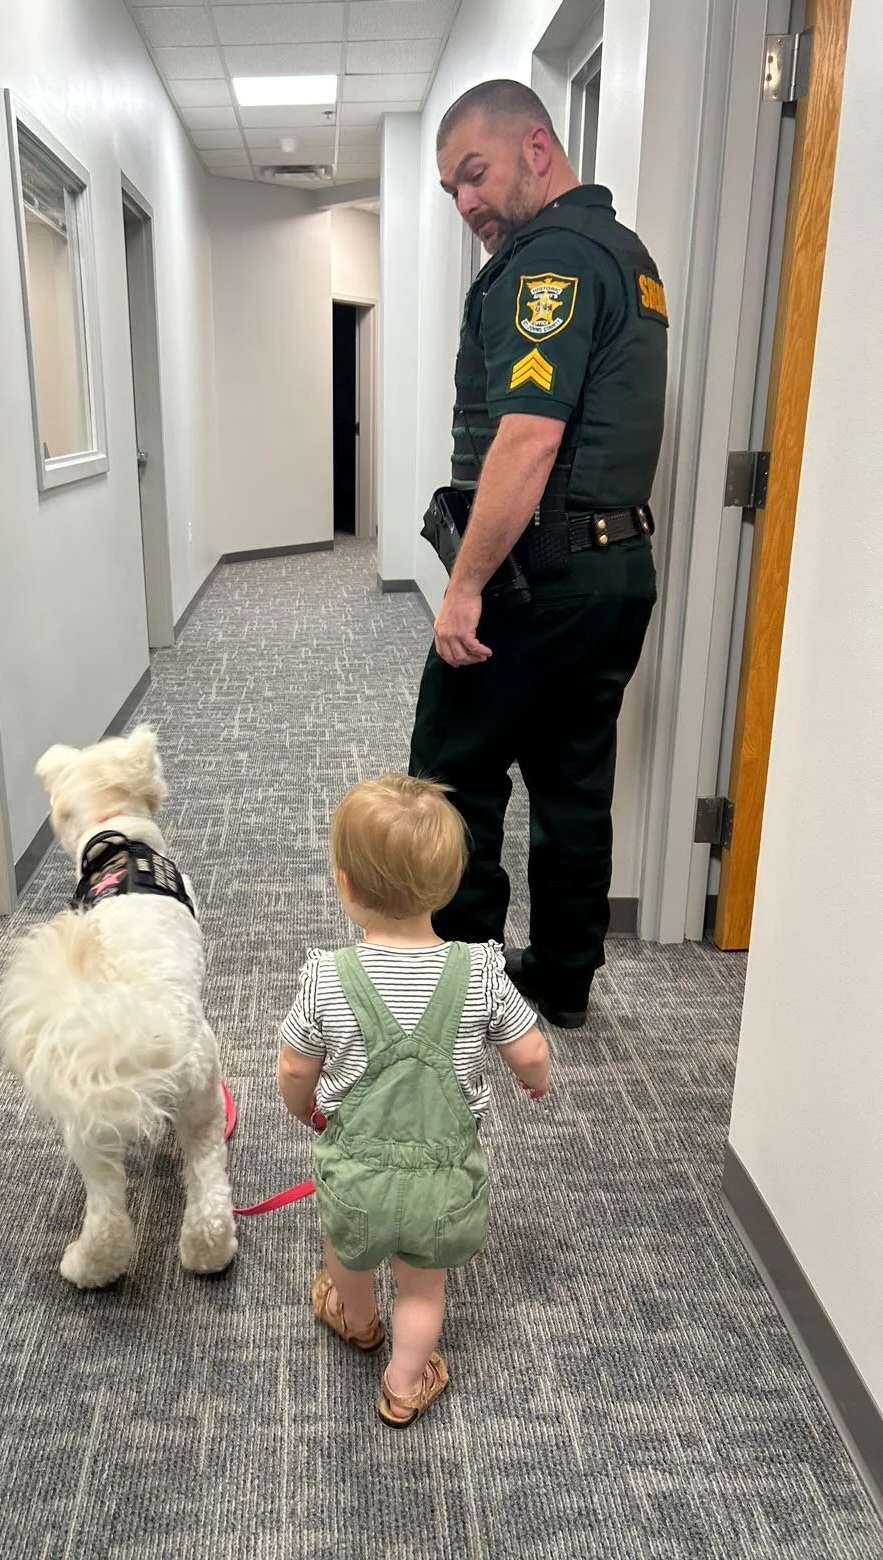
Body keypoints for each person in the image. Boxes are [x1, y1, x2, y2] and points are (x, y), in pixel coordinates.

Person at [409, 79, 668, 1029]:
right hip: (616, 572)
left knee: (451, 773)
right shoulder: (629, 259)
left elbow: (528, 437)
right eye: (451, 191)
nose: (467, 203)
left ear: (536, 146)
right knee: (573, 781)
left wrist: (464, 587)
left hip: (538, 578)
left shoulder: (549, 260)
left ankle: (468, 991)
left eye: (474, 174)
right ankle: (560, 984)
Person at [276, 774, 550, 1427]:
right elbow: (531, 1050)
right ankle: (404, 1381)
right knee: (424, 1287)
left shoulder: (328, 980)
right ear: (449, 884)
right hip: (443, 1184)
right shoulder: (480, 972)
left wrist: (303, 1105)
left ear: (343, 884)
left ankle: (358, 1319)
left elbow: (292, 1066)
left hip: (356, 1177)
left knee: (347, 1255)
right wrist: (535, 1081)